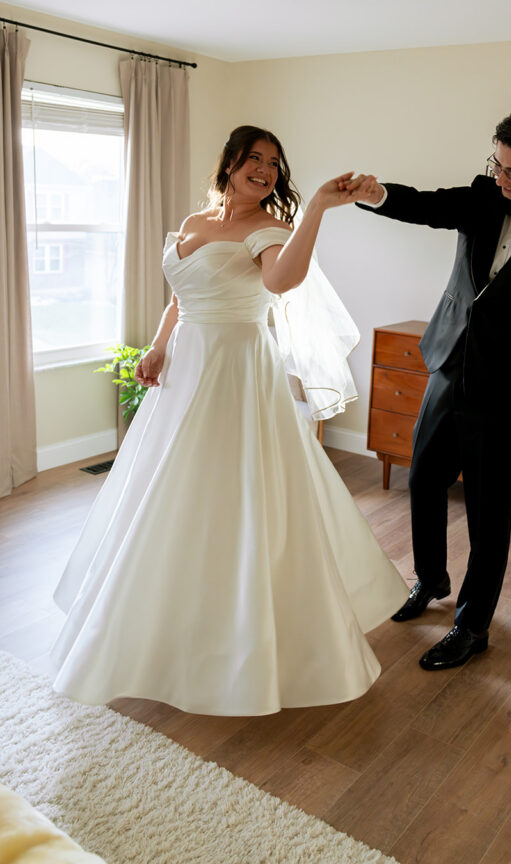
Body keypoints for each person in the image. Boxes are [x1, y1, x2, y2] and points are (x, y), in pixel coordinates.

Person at [52, 125, 408, 715]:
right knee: (167, 484)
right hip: (187, 362)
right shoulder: (195, 223)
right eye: (254, 159)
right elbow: (178, 296)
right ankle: (158, 615)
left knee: (234, 486)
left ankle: (239, 631)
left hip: (236, 365)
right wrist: (160, 344)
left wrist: (317, 207)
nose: (264, 170)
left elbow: (281, 281)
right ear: (229, 165)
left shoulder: (268, 228)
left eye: (273, 162)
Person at [347, 107, 511, 670]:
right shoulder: (482, 196)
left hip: (509, 389)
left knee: (490, 511)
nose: (501, 180)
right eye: (497, 164)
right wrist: (376, 192)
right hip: (448, 364)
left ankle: (472, 625)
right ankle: (431, 579)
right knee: (422, 478)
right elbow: (423, 205)